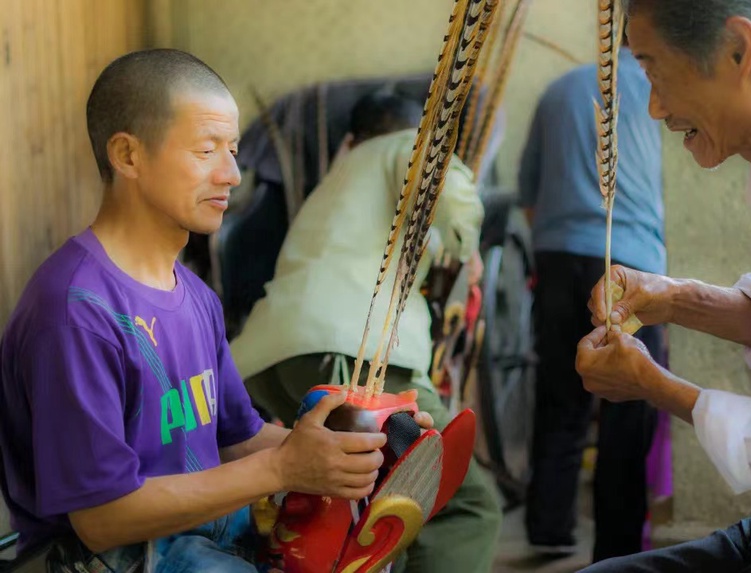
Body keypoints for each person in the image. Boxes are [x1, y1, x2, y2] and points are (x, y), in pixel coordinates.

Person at [0, 49, 436, 572]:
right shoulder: (76, 311)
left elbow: (236, 437)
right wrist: (281, 469)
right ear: (128, 156)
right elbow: (101, 519)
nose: (231, 173)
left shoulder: (197, 295)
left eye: (232, 149)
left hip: (212, 541)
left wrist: (355, 451)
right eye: (207, 150)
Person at [576, 0, 751, 571]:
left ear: (738, 50)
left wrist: (654, 385)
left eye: (655, 71)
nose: (654, 108)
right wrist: (672, 298)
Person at [230, 92, 502, 573]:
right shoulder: (406, 146)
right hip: (355, 352)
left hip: (266, 361)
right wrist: (467, 249)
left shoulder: (336, 179)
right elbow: (446, 183)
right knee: (461, 504)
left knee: (349, 512)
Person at [518, 33, 666, 560]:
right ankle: (619, 548)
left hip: (559, 256)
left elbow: (528, 194)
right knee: (631, 401)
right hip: (636, 266)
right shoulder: (664, 88)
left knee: (561, 392)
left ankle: (549, 528)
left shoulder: (558, 91)